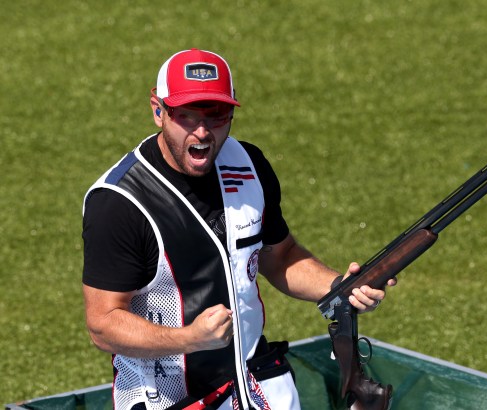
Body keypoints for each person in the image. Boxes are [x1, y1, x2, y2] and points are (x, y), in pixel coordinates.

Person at [82, 48, 395, 410]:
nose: (202, 132)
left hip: (254, 382)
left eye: (217, 115)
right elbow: (103, 324)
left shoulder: (249, 164)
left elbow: (281, 256)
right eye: (186, 115)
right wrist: (190, 339)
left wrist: (340, 288)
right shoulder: (118, 203)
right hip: (166, 398)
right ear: (158, 110)